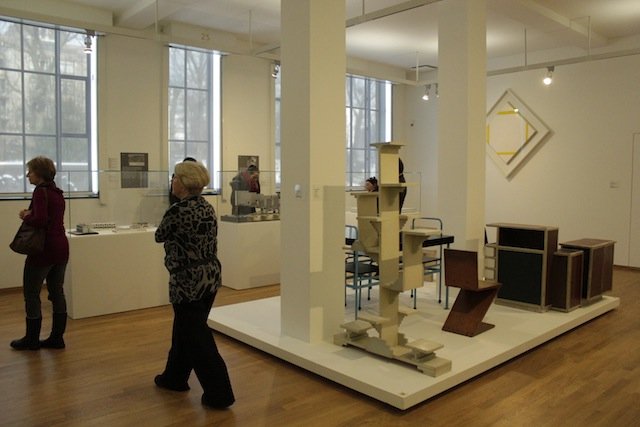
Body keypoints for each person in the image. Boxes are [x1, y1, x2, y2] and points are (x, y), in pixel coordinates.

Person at [154, 161, 235, 410]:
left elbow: (159, 235)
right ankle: (174, 377)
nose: (172, 182)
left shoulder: (178, 211)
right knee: (185, 330)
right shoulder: (207, 207)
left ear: (183, 182)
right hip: (209, 277)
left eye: (175, 178)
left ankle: (220, 393)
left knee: (197, 338)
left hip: (187, 282)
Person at [10, 156, 69, 351]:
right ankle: (57, 338)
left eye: (31, 171)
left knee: (31, 293)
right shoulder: (57, 192)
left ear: (40, 173)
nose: (28, 175)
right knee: (57, 292)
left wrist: (26, 216)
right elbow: (52, 218)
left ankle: (32, 339)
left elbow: (41, 220)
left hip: (43, 250)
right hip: (61, 247)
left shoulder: (40, 192)